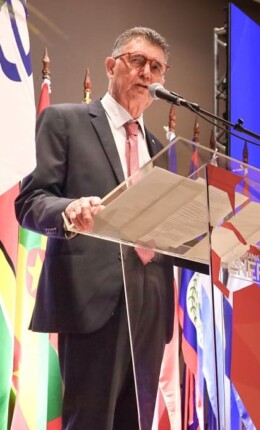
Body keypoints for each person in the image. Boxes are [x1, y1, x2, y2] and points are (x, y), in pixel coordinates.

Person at [16, 27, 179, 429]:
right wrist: (70, 209)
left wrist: (224, 250)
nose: (147, 73)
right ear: (111, 66)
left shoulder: (160, 149)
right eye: (137, 61)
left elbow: (170, 229)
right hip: (92, 299)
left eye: (156, 67)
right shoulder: (65, 121)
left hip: (150, 304)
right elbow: (30, 201)